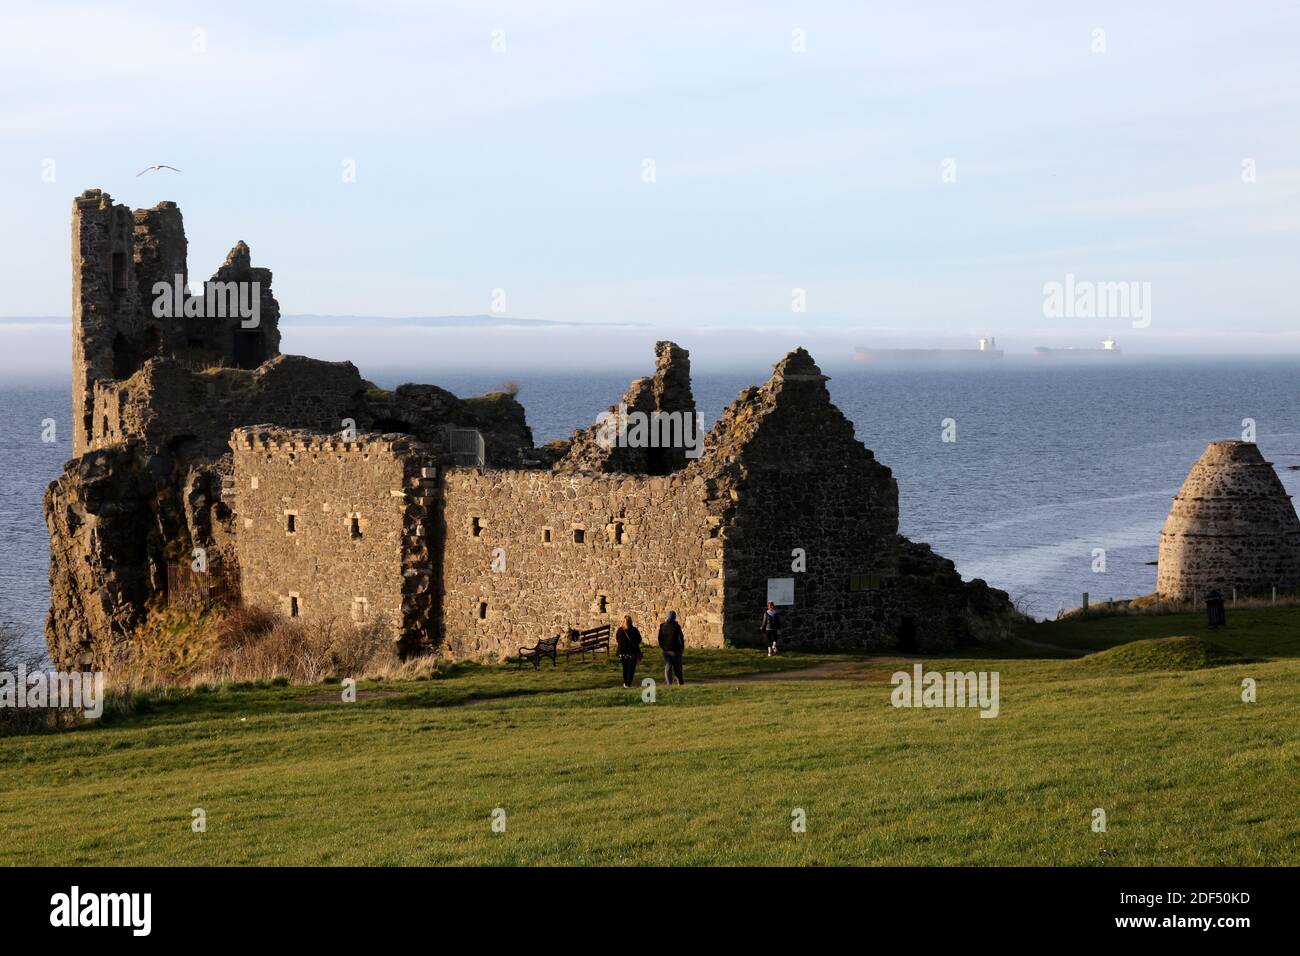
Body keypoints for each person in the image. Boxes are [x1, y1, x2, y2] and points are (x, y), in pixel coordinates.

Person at [657, 610, 685, 685]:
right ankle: (680, 682)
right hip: (676, 650)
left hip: (666, 650)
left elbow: (659, 638)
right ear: (674, 617)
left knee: (668, 665)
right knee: (677, 667)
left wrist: (662, 646)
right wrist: (682, 647)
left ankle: (669, 683)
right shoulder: (676, 626)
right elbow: (680, 638)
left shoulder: (662, 626)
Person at [615, 614, 643, 688]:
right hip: (632, 652)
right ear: (631, 621)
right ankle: (628, 683)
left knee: (625, 668)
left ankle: (625, 683)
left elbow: (617, 639)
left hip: (623, 652)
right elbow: (639, 640)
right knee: (631, 669)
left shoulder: (620, 630)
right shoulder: (634, 630)